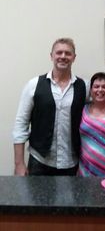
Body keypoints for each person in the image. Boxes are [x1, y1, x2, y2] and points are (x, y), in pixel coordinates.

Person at [13, 38, 86, 176]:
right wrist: (19, 164)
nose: (63, 56)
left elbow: (101, 104)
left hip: (71, 163)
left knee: (71, 199)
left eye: (68, 53)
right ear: (51, 56)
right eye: (59, 52)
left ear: (74, 58)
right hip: (39, 161)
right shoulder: (33, 85)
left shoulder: (84, 87)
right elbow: (20, 124)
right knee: (36, 198)